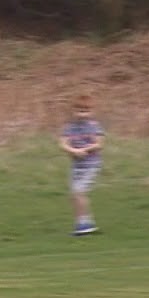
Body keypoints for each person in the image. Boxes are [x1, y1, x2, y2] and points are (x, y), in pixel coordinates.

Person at [57, 94, 104, 236]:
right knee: (75, 195)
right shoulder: (69, 128)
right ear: (72, 110)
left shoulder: (94, 127)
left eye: (86, 111)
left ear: (92, 111)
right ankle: (83, 223)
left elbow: (99, 144)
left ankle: (84, 223)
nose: (82, 114)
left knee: (79, 192)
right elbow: (63, 144)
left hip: (91, 165)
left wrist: (85, 150)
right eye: (79, 110)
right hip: (76, 166)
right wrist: (73, 151)